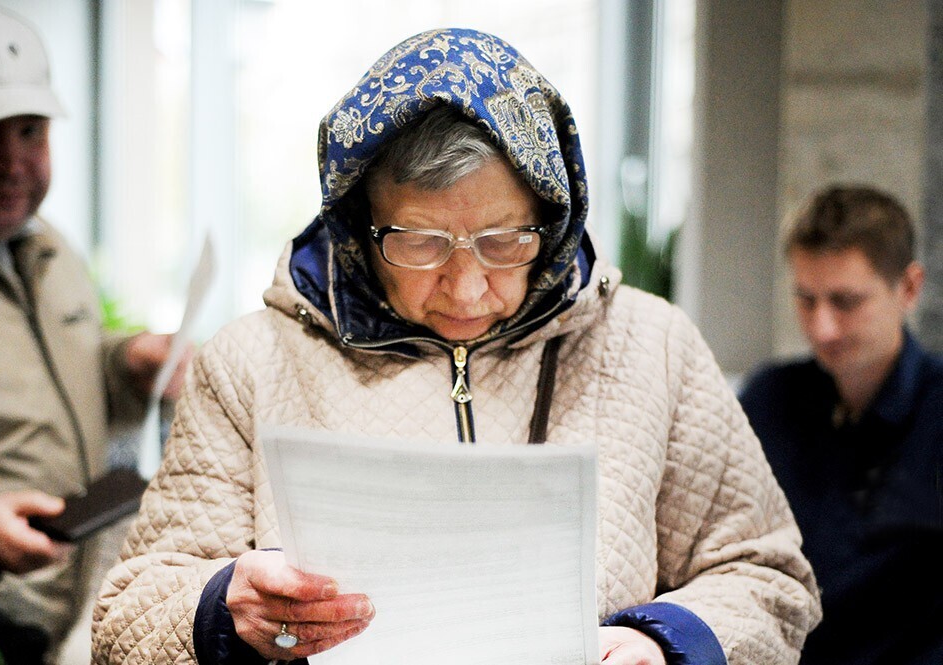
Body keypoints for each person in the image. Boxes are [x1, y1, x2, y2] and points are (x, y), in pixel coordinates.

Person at [92, 27, 821, 665]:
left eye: (505, 240)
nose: (467, 288)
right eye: (420, 243)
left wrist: (664, 642)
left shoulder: (652, 347)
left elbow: (769, 577)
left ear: (553, 220)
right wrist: (225, 608)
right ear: (359, 225)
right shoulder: (251, 363)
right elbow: (126, 616)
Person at [0, 2, 188, 662]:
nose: (11, 162)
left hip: (63, 622)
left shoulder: (46, 246)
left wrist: (126, 364)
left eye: (30, 131)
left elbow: (51, 374)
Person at [739, 185, 943, 665]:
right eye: (806, 299)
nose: (822, 327)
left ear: (909, 288)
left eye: (846, 301)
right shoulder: (769, 399)